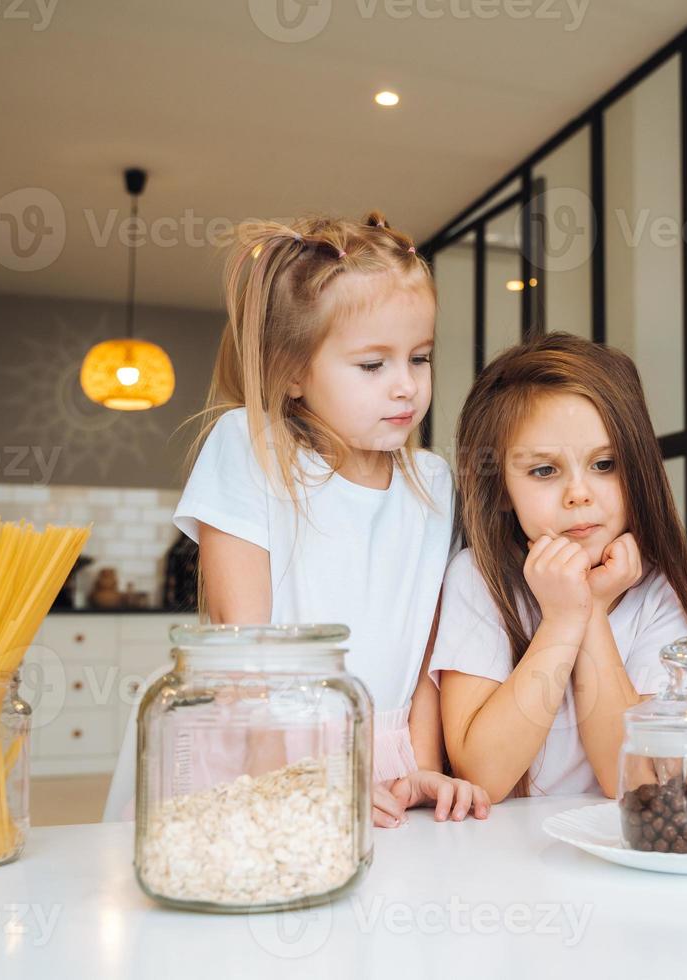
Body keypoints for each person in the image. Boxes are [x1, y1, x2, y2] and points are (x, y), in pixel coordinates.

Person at [104, 211, 488, 827]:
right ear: (291, 374)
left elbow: (422, 661)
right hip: (259, 753)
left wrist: (420, 763)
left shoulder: (435, 485)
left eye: (419, 358)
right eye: (372, 364)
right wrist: (293, 784)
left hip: (380, 758)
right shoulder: (249, 447)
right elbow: (242, 644)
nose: (405, 386)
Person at [432, 334, 687, 799]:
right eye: (544, 471)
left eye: (605, 464)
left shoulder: (657, 590)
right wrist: (563, 618)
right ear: (501, 488)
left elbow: (636, 781)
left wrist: (593, 611)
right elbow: (483, 774)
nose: (579, 494)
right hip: (499, 856)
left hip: (614, 853)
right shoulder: (477, 579)